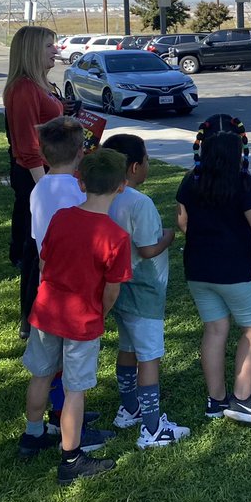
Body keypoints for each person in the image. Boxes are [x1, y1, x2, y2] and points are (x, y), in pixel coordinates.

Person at [21, 148, 131, 485]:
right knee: (74, 389)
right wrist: (102, 311)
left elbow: (44, 262)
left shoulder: (61, 218)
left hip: (46, 312)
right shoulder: (116, 237)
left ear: (79, 182)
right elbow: (112, 289)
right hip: (82, 321)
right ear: (122, 186)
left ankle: (33, 435)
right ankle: (71, 459)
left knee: (41, 375)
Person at [177, 115, 251, 425]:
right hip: (236, 270)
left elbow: (182, 222)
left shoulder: (190, 181)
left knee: (215, 330)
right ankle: (243, 399)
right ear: (239, 151)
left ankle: (216, 399)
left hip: (198, 269)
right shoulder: (244, 183)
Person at [27, 117, 111, 453]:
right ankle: (70, 434)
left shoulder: (39, 187)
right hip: (78, 291)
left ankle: (34, 433)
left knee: (43, 370)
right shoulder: (77, 191)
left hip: (47, 290)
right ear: (81, 152)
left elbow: (39, 241)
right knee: (75, 375)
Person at [102, 134, 186, 447]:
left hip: (119, 288)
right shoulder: (140, 203)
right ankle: (152, 428)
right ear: (136, 167)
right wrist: (169, 236)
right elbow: (148, 249)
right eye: (147, 159)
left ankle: (130, 407)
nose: (148, 164)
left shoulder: (104, 197)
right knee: (149, 356)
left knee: (128, 347)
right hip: (145, 290)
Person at [3, 24, 65, 340]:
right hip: (37, 179)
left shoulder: (41, 85)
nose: (55, 50)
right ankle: (30, 318)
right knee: (35, 247)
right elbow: (27, 148)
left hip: (52, 176)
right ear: (31, 51)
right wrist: (46, 188)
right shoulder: (23, 88)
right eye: (49, 46)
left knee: (51, 245)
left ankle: (47, 310)